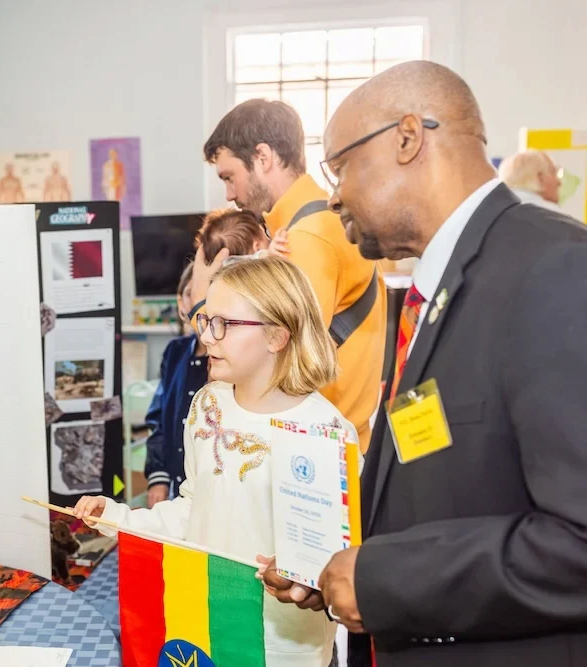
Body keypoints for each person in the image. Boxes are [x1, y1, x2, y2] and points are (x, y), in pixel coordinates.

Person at [262, 60, 587, 667]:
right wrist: (336, 572)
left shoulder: (554, 271)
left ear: (408, 137)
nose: (333, 195)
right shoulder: (428, 292)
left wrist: (386, 581)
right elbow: (436, 471)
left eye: (341, 166)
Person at [75, 257, 357, 667]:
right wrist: (119, 516)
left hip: (283, 647)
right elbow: (193, 508)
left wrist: (305, 572)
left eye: (222, 324)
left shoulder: (326, 432)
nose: (206, 338)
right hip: (206, 625)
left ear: (278, 335)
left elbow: (338, 561)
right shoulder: (209, 405)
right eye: (205, 320)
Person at [197, 99, 386, 449]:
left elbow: (286, 364)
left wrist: (201, 302)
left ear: (263, 157)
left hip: (314, 454)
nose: (228, 194)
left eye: (229, 176)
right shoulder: (314, 225)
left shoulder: (307, 238)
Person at [143, 262, 208, 507]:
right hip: (175, 488)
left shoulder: (227, 360)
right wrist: (158, 476)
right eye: (192, 293)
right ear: (182, 302)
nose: (201, 301)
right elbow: (158, 418)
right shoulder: (175, 352)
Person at [498, 149, 565, 213]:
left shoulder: (495, 213)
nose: (559, 183)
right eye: (554, 173)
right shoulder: (555, 216)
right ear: (541, 179)